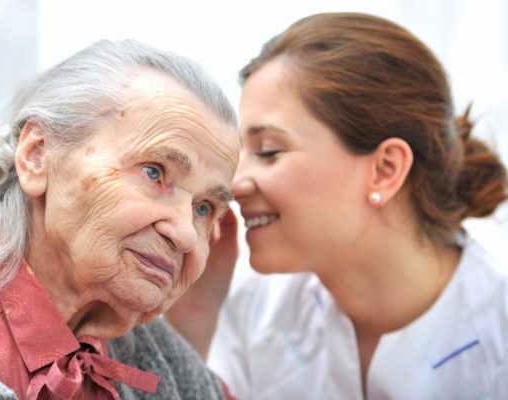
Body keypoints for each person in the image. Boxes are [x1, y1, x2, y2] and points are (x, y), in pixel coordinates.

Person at [168, 12, 508, 399]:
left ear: (385, 169)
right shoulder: (256, 313)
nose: (234, 184)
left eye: (269, 151)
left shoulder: (498, 340)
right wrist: (194, 321)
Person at [0, 38, 240, 399]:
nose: (187, 235)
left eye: (204, 208)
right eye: (153, 172)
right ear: (37, 155)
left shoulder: (171, 371)